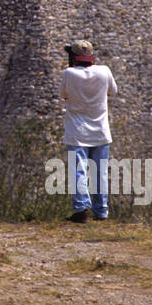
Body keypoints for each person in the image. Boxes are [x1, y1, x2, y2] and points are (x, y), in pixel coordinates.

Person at [59, 39, 118, 222]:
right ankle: (101, 211)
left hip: (77, 132)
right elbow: (113, 91)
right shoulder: (104, 71)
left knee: (79, 171)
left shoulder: (69, 73)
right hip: (100, 130)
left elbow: (63, 95)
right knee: (100, 172)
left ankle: (81, 208)